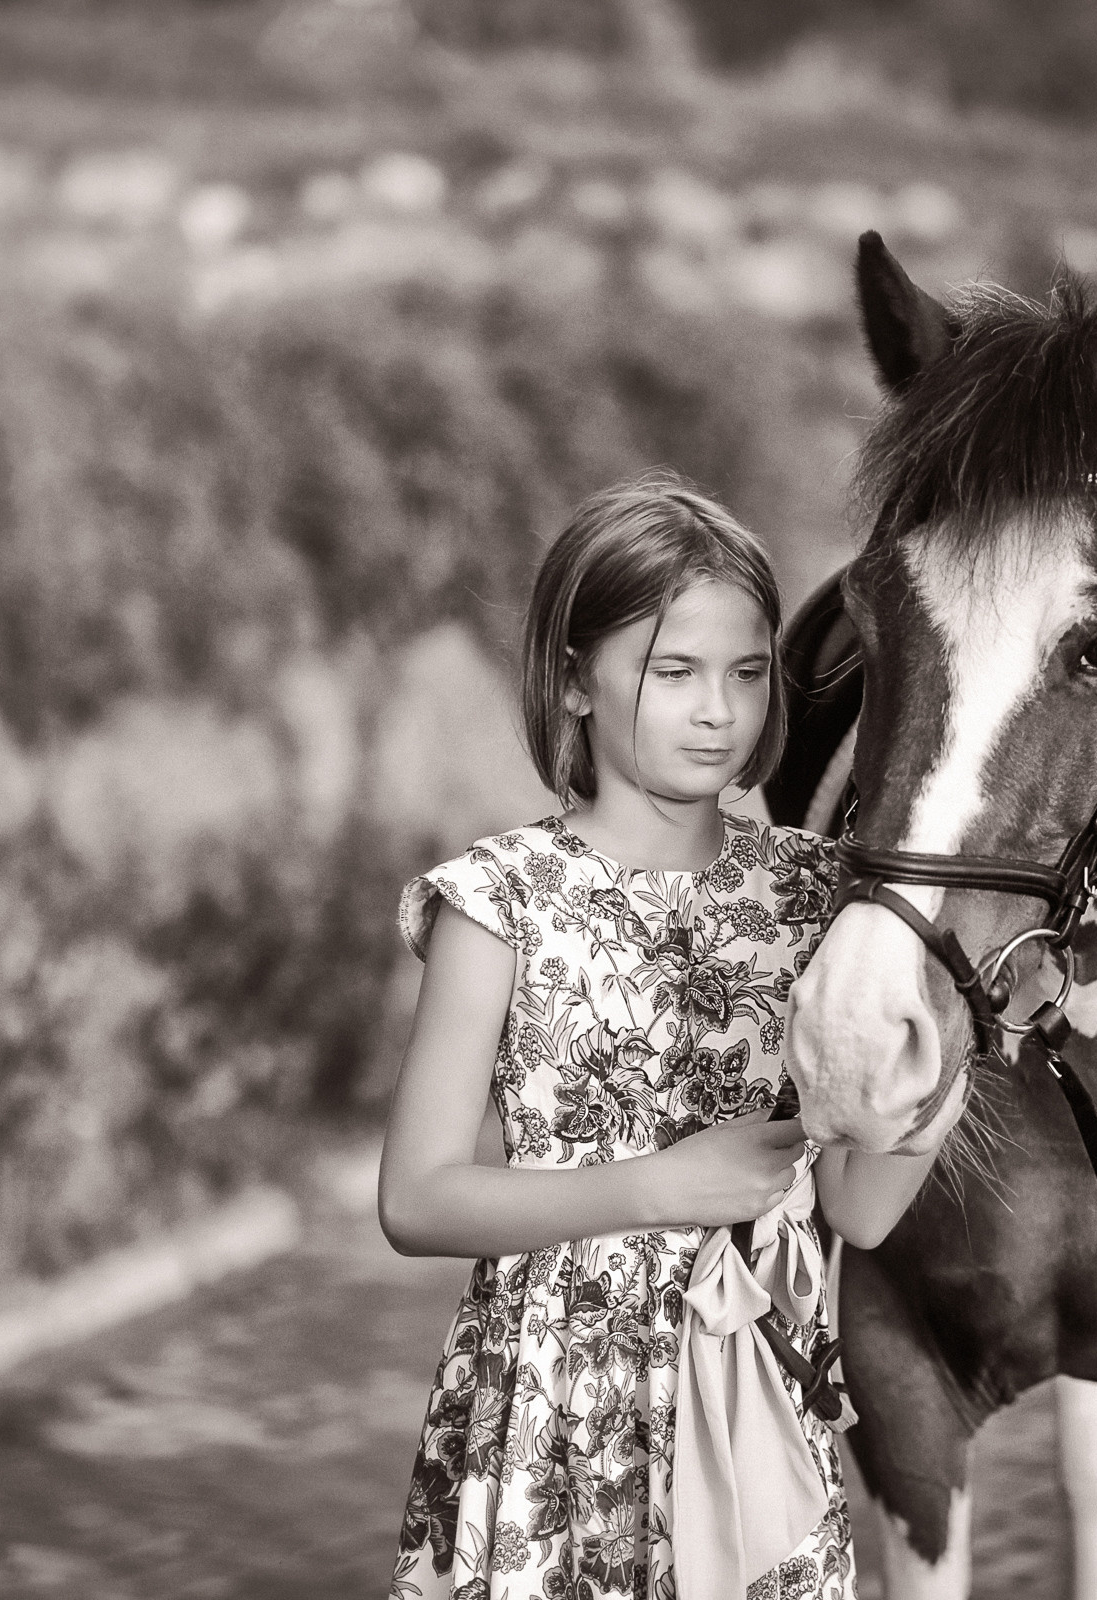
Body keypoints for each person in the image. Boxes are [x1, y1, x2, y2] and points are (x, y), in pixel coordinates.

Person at [380, 473, 936, 1600]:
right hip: (548, 1422)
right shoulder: (504, 900)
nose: (717, 712)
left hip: (752, 1411)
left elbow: (864, 1209)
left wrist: (944, 1062)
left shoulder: (814, 895)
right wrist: (663, 1186)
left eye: (744, 673)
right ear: (574, 679)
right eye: (672, 673)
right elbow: (418, 1198)